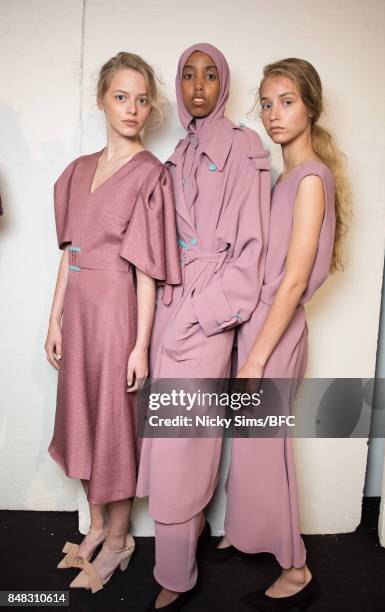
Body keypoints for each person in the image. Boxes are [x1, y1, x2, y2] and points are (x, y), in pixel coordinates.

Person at [136, 43, 271, 611]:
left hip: (205, 313)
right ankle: (183, 545)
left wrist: (197, 315)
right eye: (188, 75)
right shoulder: (180, 153)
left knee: (181, 444)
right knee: (173, 437)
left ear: (224, 84)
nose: (198, 86)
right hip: (170, 307)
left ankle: (175, 574)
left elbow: (252, 255)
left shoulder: (244, 148)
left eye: (210, 75)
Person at [214, 58, 350, 611]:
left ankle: (296, 569)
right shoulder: (285, 175)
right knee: (250, 443)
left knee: (267, 448)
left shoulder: (311, 178)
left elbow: (293, 281)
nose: (273, 114)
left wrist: (256, 359)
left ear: (311, 106)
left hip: (276, 331)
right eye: (266, 103)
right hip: (260, 326)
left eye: (286, 101)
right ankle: (245, 531)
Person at [45, 51, 181, 593]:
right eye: (122, 96)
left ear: (150, 109)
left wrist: (141, 346)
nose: (132, 108)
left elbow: (147, 271)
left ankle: (122, 541)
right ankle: (97, 527)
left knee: (114, 427)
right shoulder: (77, 170)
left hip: (115, 314)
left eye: (142, 99)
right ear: (102, 98)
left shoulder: (151, 175)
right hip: (77, 311)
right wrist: (53, 318)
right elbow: (69, 252)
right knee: (79, 415)